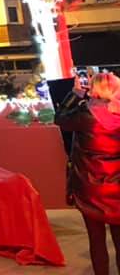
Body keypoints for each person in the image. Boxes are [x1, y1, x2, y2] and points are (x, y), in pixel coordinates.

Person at [57, 72, 120, 275]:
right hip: (117, 190)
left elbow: (59, 118)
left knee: (96, 241)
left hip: (89, 189)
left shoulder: (85, 116)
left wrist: (74, 93)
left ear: (93, 89)